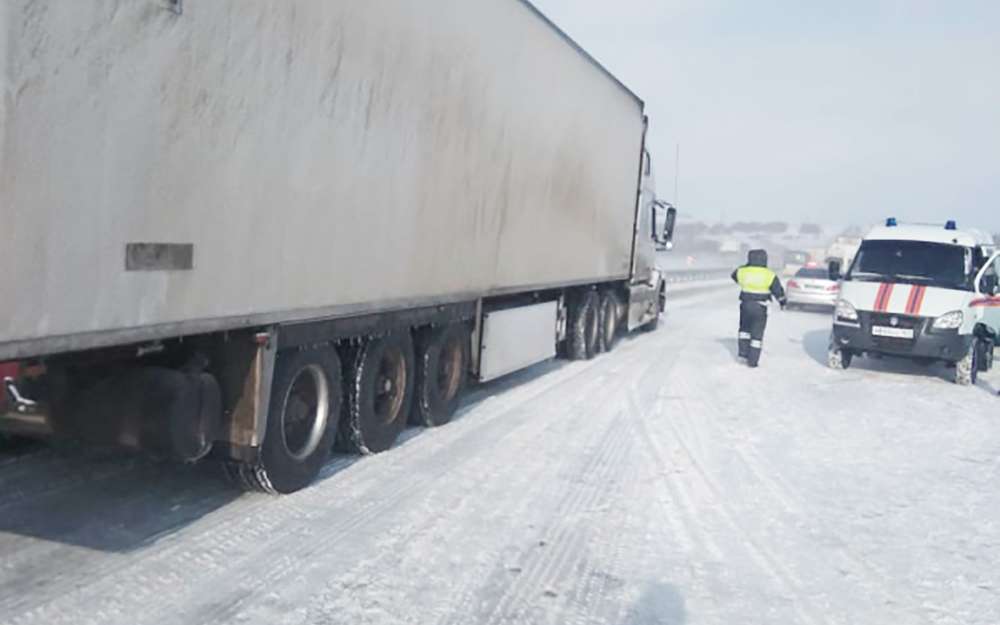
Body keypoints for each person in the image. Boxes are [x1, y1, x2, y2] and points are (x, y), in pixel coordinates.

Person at [731, 249, 786, 368]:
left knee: (744, 330)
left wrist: (747, 266)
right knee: (757, 334)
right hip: (761, 306)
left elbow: (734, 275)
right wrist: (782, 301)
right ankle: (753, 361)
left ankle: (743, 354)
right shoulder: (769, 274)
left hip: (745, 305)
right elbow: (777, 290)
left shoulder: (743, 271)